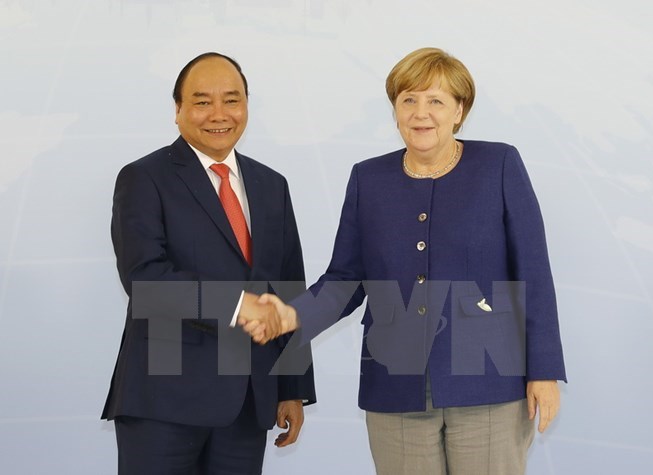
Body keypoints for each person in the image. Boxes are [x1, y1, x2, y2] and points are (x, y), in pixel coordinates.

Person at [241, 47, 566, 475]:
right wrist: (291, 315)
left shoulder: (499, 164)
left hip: (490, 383)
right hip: (394, 387)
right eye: (408, 99)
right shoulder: (368, 178)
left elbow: (534, 272)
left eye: (436, 101)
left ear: (459, 111)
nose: (421, 113)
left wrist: (543, 370)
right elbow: (346, 278)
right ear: (394, 109)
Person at [102, 52, 316, 475]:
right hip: (164, 402)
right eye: (202, 102)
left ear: (247, 106)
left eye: (232, 100)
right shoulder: (144, 178)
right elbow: (145, 280)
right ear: (178, 110)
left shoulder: (272, 185)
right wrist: (239, 305)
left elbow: (288, 289)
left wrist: (291, 387)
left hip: (248, 403)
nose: (219, 114)